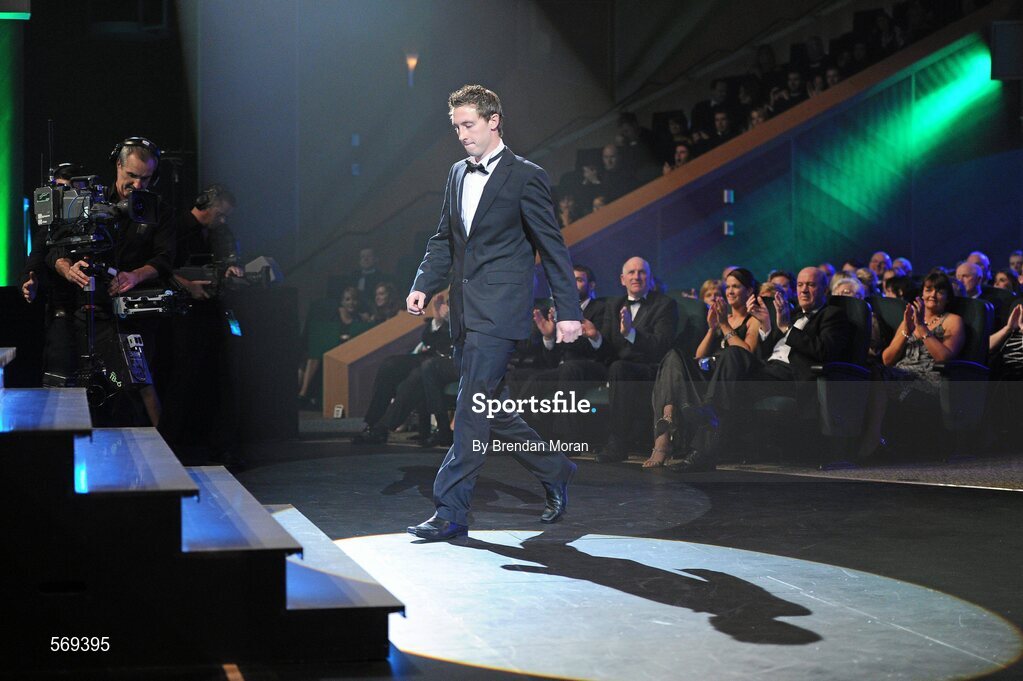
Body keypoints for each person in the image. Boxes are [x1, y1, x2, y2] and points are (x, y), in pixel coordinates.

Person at [404, 84, 582, 542]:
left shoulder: (526, 176)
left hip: (501, 313)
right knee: (494, 410)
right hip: (465, 311)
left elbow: (553, 248)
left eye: (468, 125)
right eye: (456, 127)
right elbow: (444, 239)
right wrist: (424, 283)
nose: (461, 134)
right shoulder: (456, 175)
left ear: (493, 120)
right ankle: (556, 468)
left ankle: (451, 511)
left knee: (469, 411)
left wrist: (568, 312)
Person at [45, 137, 173, 427]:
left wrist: (136, 274)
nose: (138, 186)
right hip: (90, 310)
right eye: (132, 176)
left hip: (135, 313)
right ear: (118, 166)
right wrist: (67, 268)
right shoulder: (90, 201)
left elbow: (165, 258)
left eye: (146, 178)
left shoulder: (159, 209)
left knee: (137, 384)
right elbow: (54, 249)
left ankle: (157, 457)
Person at [160, 184, 242, 463]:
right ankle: (168, 447)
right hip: (182, 315)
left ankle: (219, 447)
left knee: (217, 381)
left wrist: (232, 268)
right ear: (206, 204)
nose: (223, 221)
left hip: (211, 313)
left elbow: (229, 257)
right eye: (220, 214)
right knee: (183, 381)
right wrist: (188, 287)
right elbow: (162, 268)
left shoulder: (219, 233)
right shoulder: (177, 228)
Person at [646, 269, 760, 467]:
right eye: (729, 287)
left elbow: (745, 354)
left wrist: (724, 325)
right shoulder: (723, 319)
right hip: (707, 374)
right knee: (673, 356)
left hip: (731, 379)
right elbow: (699, 355)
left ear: (749, 290)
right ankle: (665, 425)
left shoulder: (753, 319)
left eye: (736, 287)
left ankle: (668, 436)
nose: (730, 291)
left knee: (730, 355)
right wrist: (712, 328)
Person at [857, 272, 964, 460]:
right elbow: (887, 359)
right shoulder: (909, 319)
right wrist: (907, 329)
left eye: (939, 291)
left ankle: (873, 438)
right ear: (921, 293)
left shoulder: (953, 320)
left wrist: (922, 328)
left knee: (878, 375)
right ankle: (859, 439)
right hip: (899, 373)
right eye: (928, 290)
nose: (932, 295)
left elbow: (944, 358)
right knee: (867, 371)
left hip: (928, 380)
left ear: (947, 297)